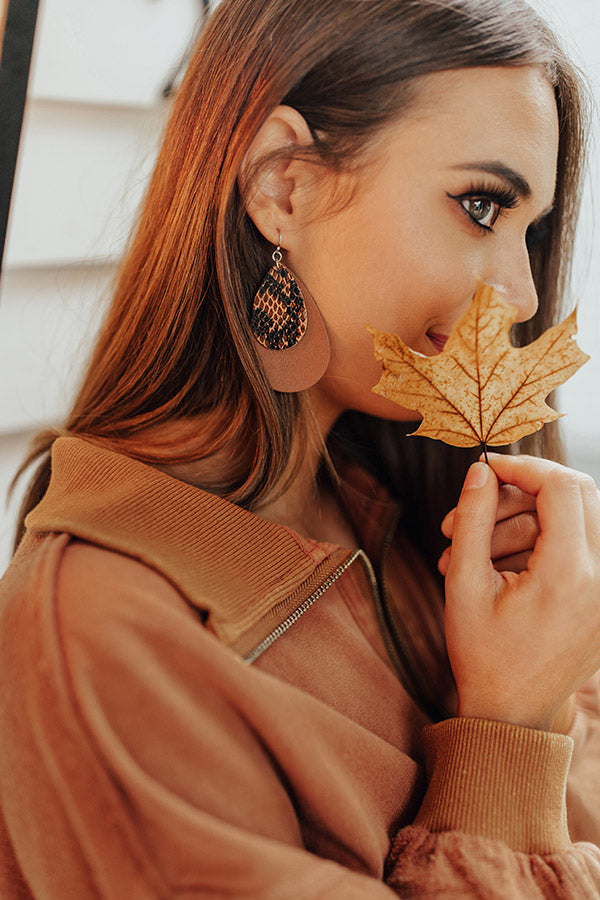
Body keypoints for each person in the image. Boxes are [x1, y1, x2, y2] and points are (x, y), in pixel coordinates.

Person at [1, 0, 600, 895]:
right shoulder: (102, 632)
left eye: (535, 231)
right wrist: (510, 728)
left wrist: (556, 671)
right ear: (282, 185)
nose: (518, 292)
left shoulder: (413, 510)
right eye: (482, 205)